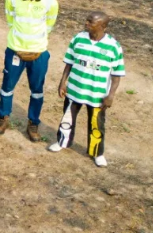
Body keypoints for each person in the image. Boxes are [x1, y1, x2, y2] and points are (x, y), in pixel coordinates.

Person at [49, 12, 124, 167]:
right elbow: (69, 63)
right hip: (75, 89)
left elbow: (116, 75)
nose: (86, 23)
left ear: (102, 26)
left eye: (91, 22)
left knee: (96, 124)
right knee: (67, 118)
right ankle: (62, 142)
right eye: (87, 20)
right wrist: (63, 83)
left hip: (97, 94)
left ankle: (97, 152)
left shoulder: (113, 46)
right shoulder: (78, 39)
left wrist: (111, 95)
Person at [0, 0, 60, 141]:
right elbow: (10, 20)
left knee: (37, 90)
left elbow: (49, 26)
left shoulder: (50, 2)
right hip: (15, 51)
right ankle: (3, 118)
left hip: (38, 54)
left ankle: (33, 123)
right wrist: (19, 45)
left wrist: (35, 45)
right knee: (7, 87)